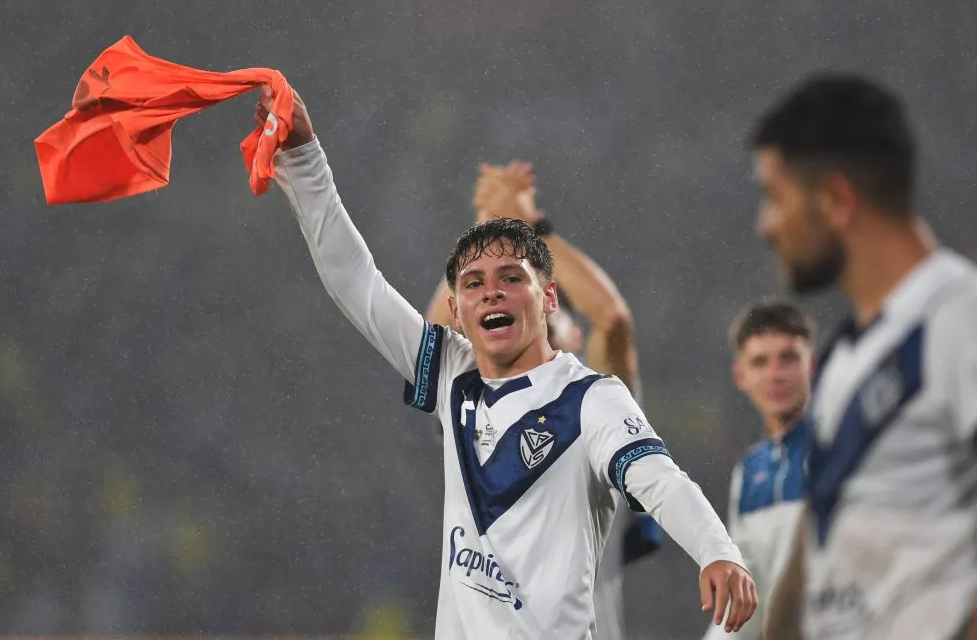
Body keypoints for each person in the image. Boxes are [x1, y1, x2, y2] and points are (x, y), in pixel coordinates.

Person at [256, 88, 756, 640]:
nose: (491, 293)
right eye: (474, 285)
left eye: (511, 278)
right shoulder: (453, 373)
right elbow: (357, 282)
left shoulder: (592, 398)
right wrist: (304, 160)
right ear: (456, 310)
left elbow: (660, 479)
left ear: (547, 299)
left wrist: (717, 551)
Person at [751, 73, 977, 640]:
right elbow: (816, 539)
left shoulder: (963, 316)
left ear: (837, 200)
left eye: (775, 197)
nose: (765, 226)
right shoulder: (848, 355)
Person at [424, 161, 662, 640]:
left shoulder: (598, 409)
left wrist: (529, 228)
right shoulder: (473, 408)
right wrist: (491, 234)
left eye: (521, 287)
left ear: (556, 307)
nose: (509, 304)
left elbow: (612, 319)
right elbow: (437, 335)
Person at [702, 300, 815, 640]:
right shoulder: (749, 471)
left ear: (814, 364)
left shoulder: (843, 451)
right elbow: (748, 594)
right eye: (760, 362)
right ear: (741, 376)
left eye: (788, 358)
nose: (775, 374)